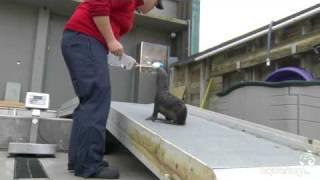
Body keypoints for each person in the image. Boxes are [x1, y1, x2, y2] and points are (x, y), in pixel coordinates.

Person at [61, 0, 164, 179]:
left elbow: (110, 29)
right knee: (96, 100)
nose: (152, 9)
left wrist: (121, 55)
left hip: (85, 41)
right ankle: (90, 165)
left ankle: (79, 161)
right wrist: (110, 40)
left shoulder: (131, 7)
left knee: (89, 101)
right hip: (84, 38)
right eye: (155, 5)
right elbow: (97, 3)